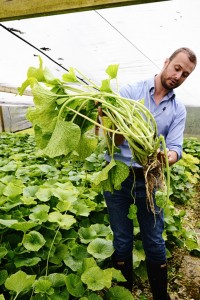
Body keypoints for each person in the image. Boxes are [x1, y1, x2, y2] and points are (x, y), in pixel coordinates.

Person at [103, 47, 197, 300]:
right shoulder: (130, 92)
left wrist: (168, 157)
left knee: (154, 239)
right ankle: (124, 293)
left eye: (185, 74)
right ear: (166, 62)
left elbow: (176, 148)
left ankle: (160, 295)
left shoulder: (178, 109)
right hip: (118, 174)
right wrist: (113, 124)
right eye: (177, 68)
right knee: (122, 239)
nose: (179, 76)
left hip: (150, 176)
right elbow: (112, 140)